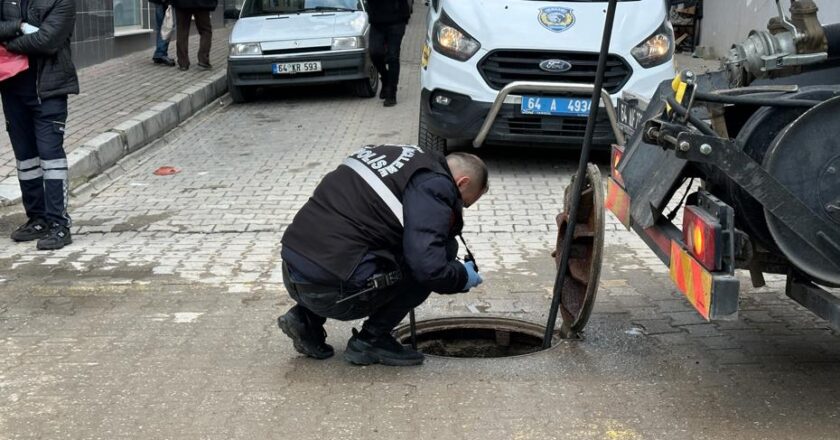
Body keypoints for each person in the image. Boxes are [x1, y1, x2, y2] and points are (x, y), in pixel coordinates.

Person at [279, 144, 488, 366]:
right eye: (464, 201)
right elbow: (428, 267)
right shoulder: (435, 185)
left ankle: (305, 319)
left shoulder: (404, 157)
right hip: (334, 293)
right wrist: (460, 276)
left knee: (361, 244)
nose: (459, 207)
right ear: (461, 182)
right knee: (442, 253)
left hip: (294, 273)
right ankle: (372, 340)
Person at [0, 0, 78, 250]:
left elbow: (47, 41)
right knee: (26, 159)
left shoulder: (61, 1)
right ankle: (37, 219)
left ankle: (59, 224)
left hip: (48, 91)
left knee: (50, 157)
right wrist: (21, 26)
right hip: (12, 89)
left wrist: (7, 43)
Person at [366, 0, 410, 107]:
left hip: (397, 20)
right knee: (374, 53)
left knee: (393, 57)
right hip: (377, 21)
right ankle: (386, 79)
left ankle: (392, 93)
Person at [170, 0, 217, 71]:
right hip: (201, 3)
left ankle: (183, 63)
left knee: (182, 31)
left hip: (181, 3)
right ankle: (203, 60)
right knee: (205, 30)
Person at [149, 0, 175, 66]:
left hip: (160, 2)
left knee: (162, 27)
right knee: (165, 27)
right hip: (163, 2)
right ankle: (160, 54)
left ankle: (159, 54)